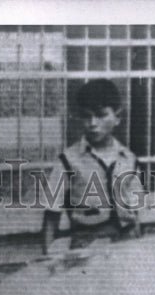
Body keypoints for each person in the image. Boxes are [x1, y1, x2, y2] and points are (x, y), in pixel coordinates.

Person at [41, 79, 145, 254]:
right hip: (85, 248)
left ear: (117, 117)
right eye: (86, 116)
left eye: (101, 115)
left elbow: (136, 215)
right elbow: (51, 217)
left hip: (125, 246)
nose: (93, 123)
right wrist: (47, 260)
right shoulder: (67, 161)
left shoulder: (129, 159)